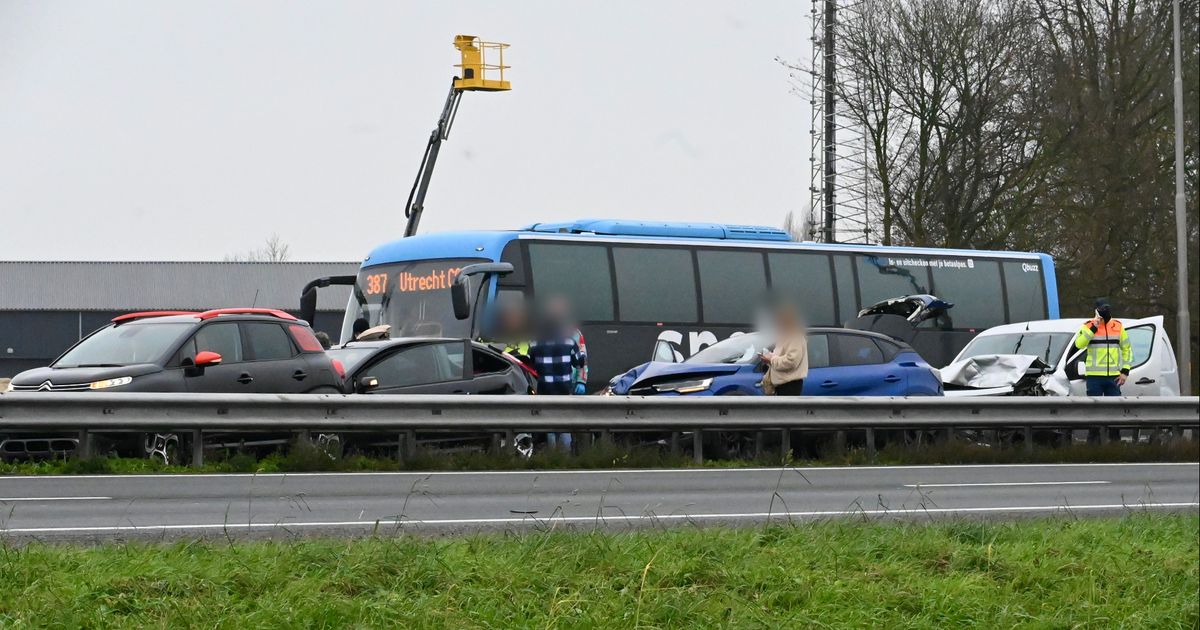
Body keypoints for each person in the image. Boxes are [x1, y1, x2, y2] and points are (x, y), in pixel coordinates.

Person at [528, 297, 586, 449]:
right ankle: (564, 456)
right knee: (564, 425)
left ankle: (553, 455)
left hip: (544, 390)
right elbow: (579, 362)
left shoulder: (535, 342)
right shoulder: (569, 340)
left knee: (550, 426)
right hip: (563, 389)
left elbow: (531, 363)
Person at [1072, 297, 1133, 396]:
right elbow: (1079, 344)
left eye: (1107, 308)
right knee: (1095, 406)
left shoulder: (1118, 326)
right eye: (1102, 309)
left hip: (1113, 377)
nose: (1105, 311)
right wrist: (1093, 328)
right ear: (1096, 311)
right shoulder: (1088, 326)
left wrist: (1125, 371)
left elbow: (1127, 349)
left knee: (1114, 405)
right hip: (1094, 377)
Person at [759, 303, 809, 396]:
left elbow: (791, 361)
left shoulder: (795, 337)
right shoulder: (784, 336)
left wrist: (771, 359)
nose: (777, 323)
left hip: (790, 385)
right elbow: (780, 358)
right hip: (780, 384)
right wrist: (768, 358)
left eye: (780, 320)